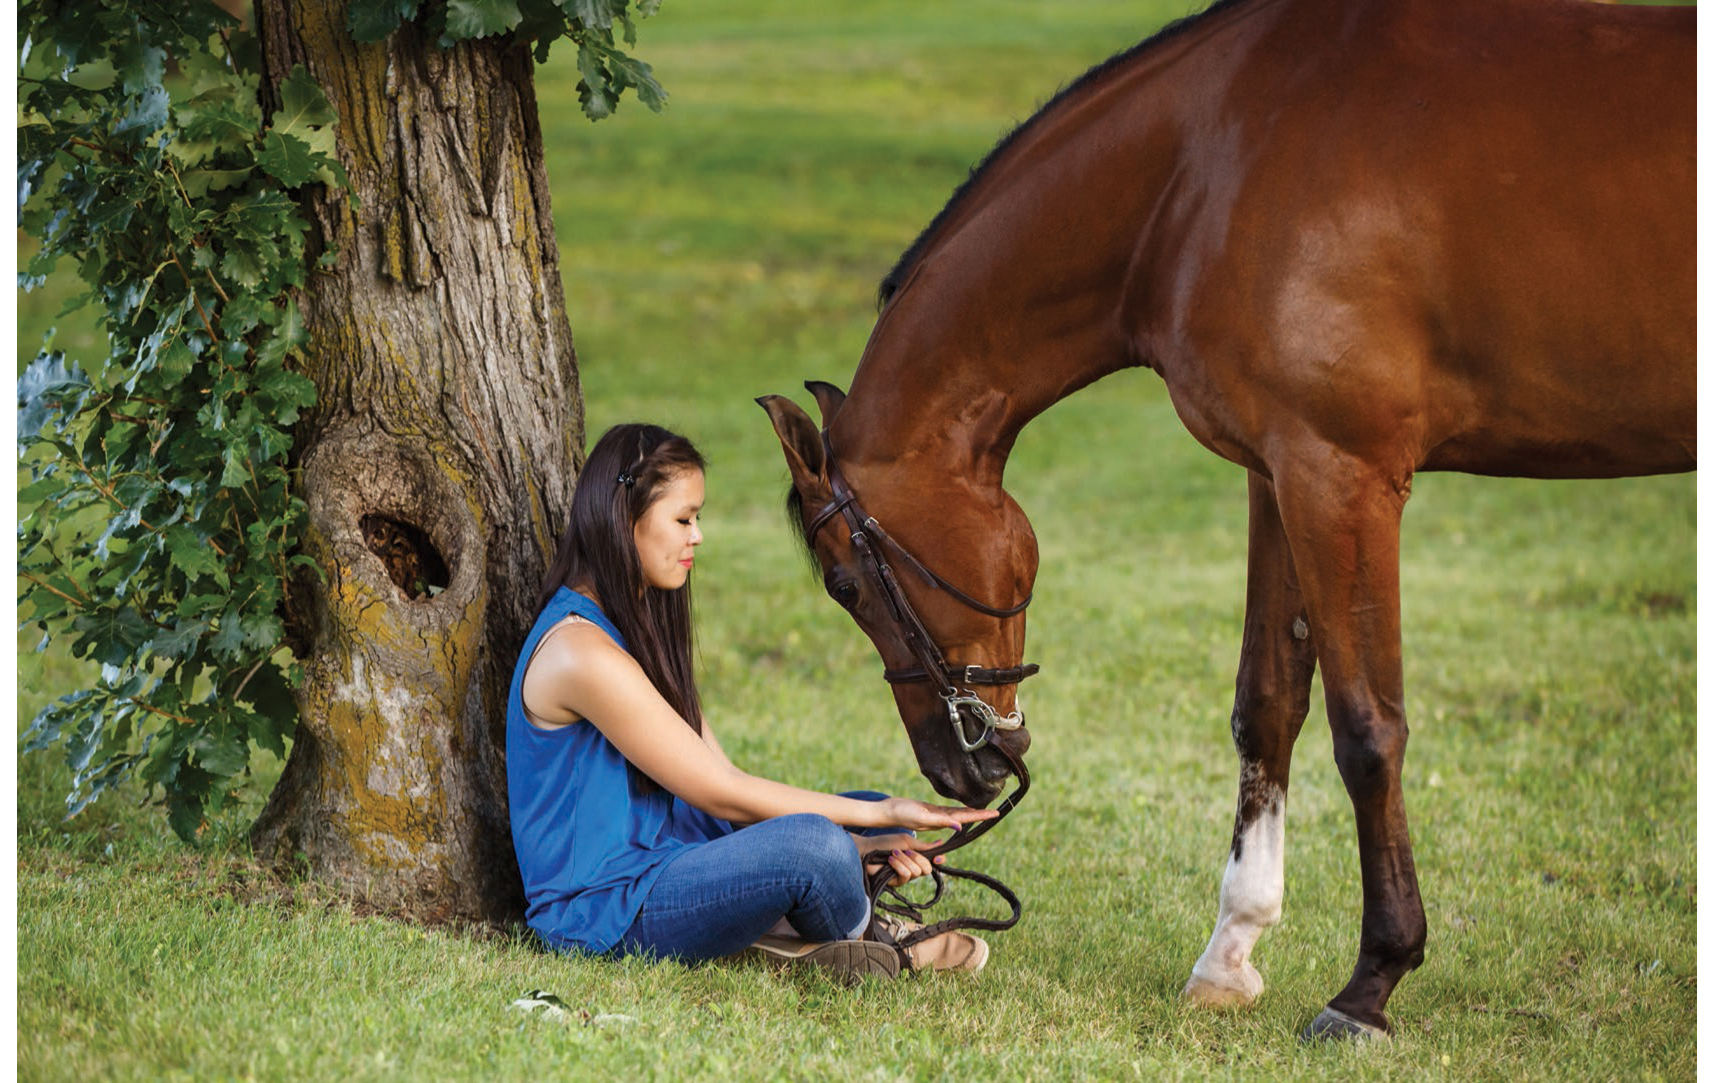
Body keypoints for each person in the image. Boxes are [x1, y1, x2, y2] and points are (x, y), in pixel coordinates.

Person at [507, 422, 995, 981]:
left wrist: (867, 835)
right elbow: (724, 793)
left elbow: (717, 777)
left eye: (699, 518)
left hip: (672, 855)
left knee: (851, 824)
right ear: (624, 519)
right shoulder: (580, 654)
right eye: (684, 519)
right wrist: (874, 823)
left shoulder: (634, 624)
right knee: (816, 844)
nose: (698, 536)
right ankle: (873, 941)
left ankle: (797, 924)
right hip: (605, 911)